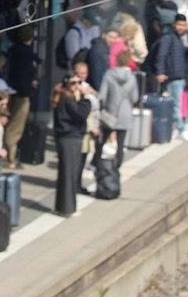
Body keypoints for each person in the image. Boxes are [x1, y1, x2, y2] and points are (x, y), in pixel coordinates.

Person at [151, 13, 188, 142]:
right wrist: (160, 72)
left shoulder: (178, 38)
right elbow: (161, 56)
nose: (181, 27)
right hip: (172, 77)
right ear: (174, 25)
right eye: (179, 24)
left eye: (183, 25)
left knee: (176, 104)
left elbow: (180, 56)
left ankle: (172, 130)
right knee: (176, 105)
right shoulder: (168, 38)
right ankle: (182, 130)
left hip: (179, 75)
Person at [51, 72, 94, 207]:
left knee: (67, 174)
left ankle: (63, 206)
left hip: (67, 138)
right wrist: (85, 97)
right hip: (70, 138)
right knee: (69, 175)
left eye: (79, 83)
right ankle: (67, 207)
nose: (77, 86)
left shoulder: (66, 98)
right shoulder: (67, 99)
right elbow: (81, 113)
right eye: (73, 83)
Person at [97, 46, 139, 169]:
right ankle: (117, 167)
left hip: (110, 113)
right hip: (125, 114)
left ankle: (99, 164)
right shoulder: (131, 77)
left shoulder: (109, 75)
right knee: (120, 143)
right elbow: (135, 97)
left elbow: (102, 96)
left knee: (103, 139)